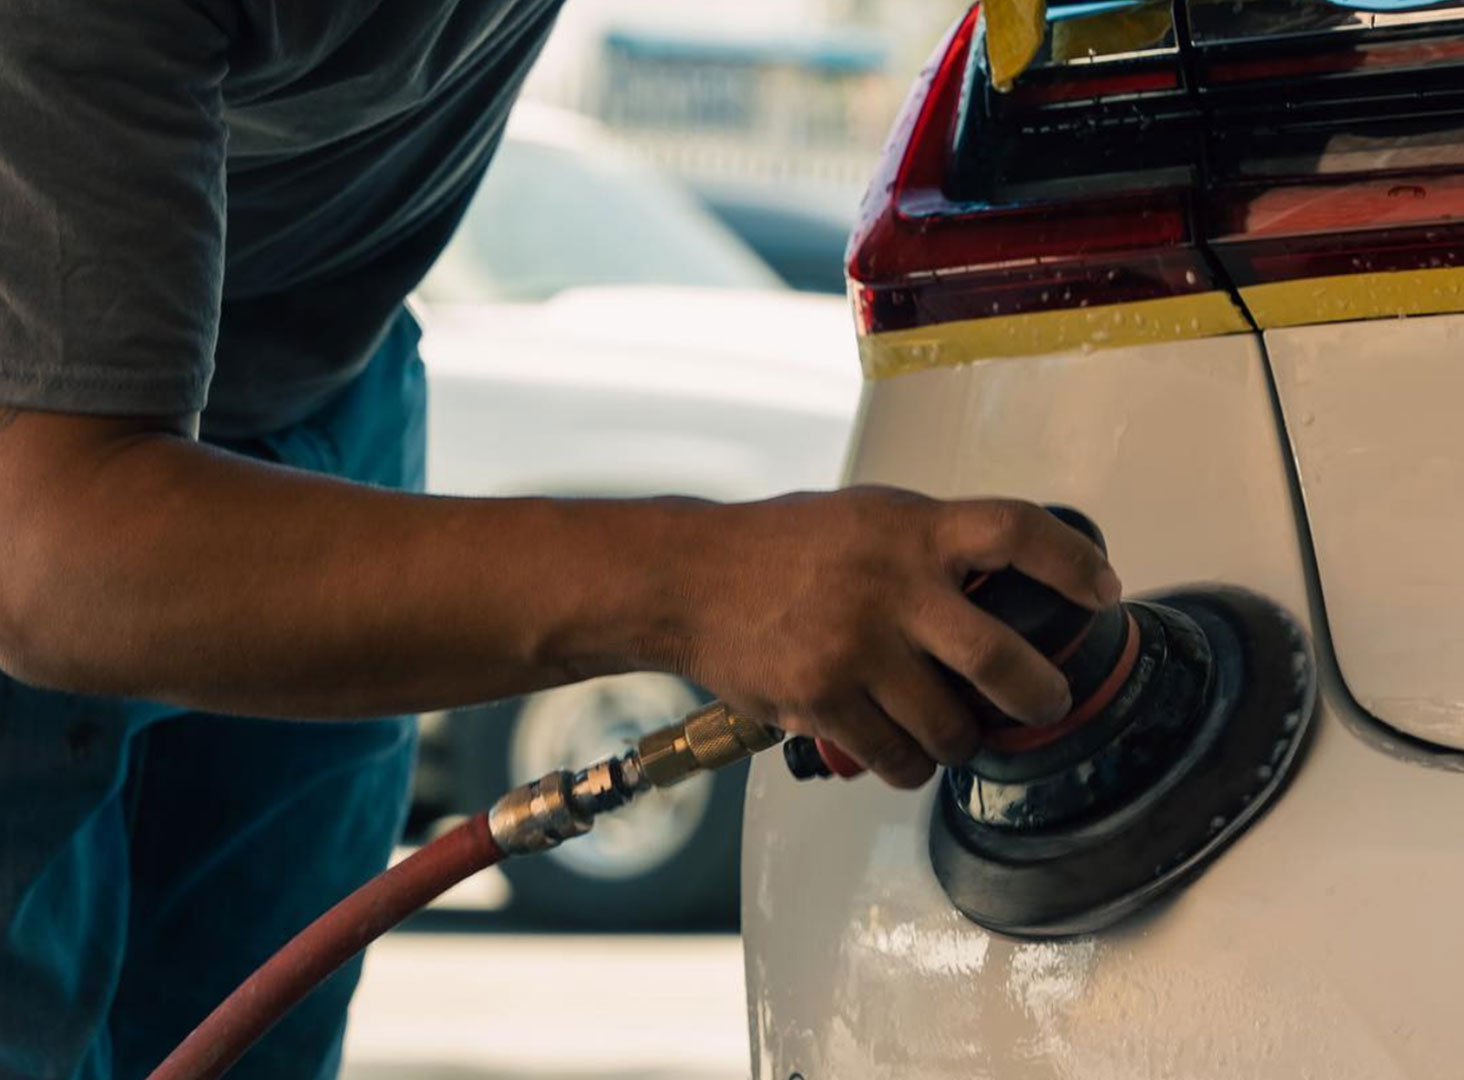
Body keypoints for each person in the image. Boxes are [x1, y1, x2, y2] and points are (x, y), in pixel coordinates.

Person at [0, 2, 1122, 1077]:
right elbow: (51, 559)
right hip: (58, 485)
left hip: (328, 376)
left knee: (252, 1031)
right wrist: (698, 584)